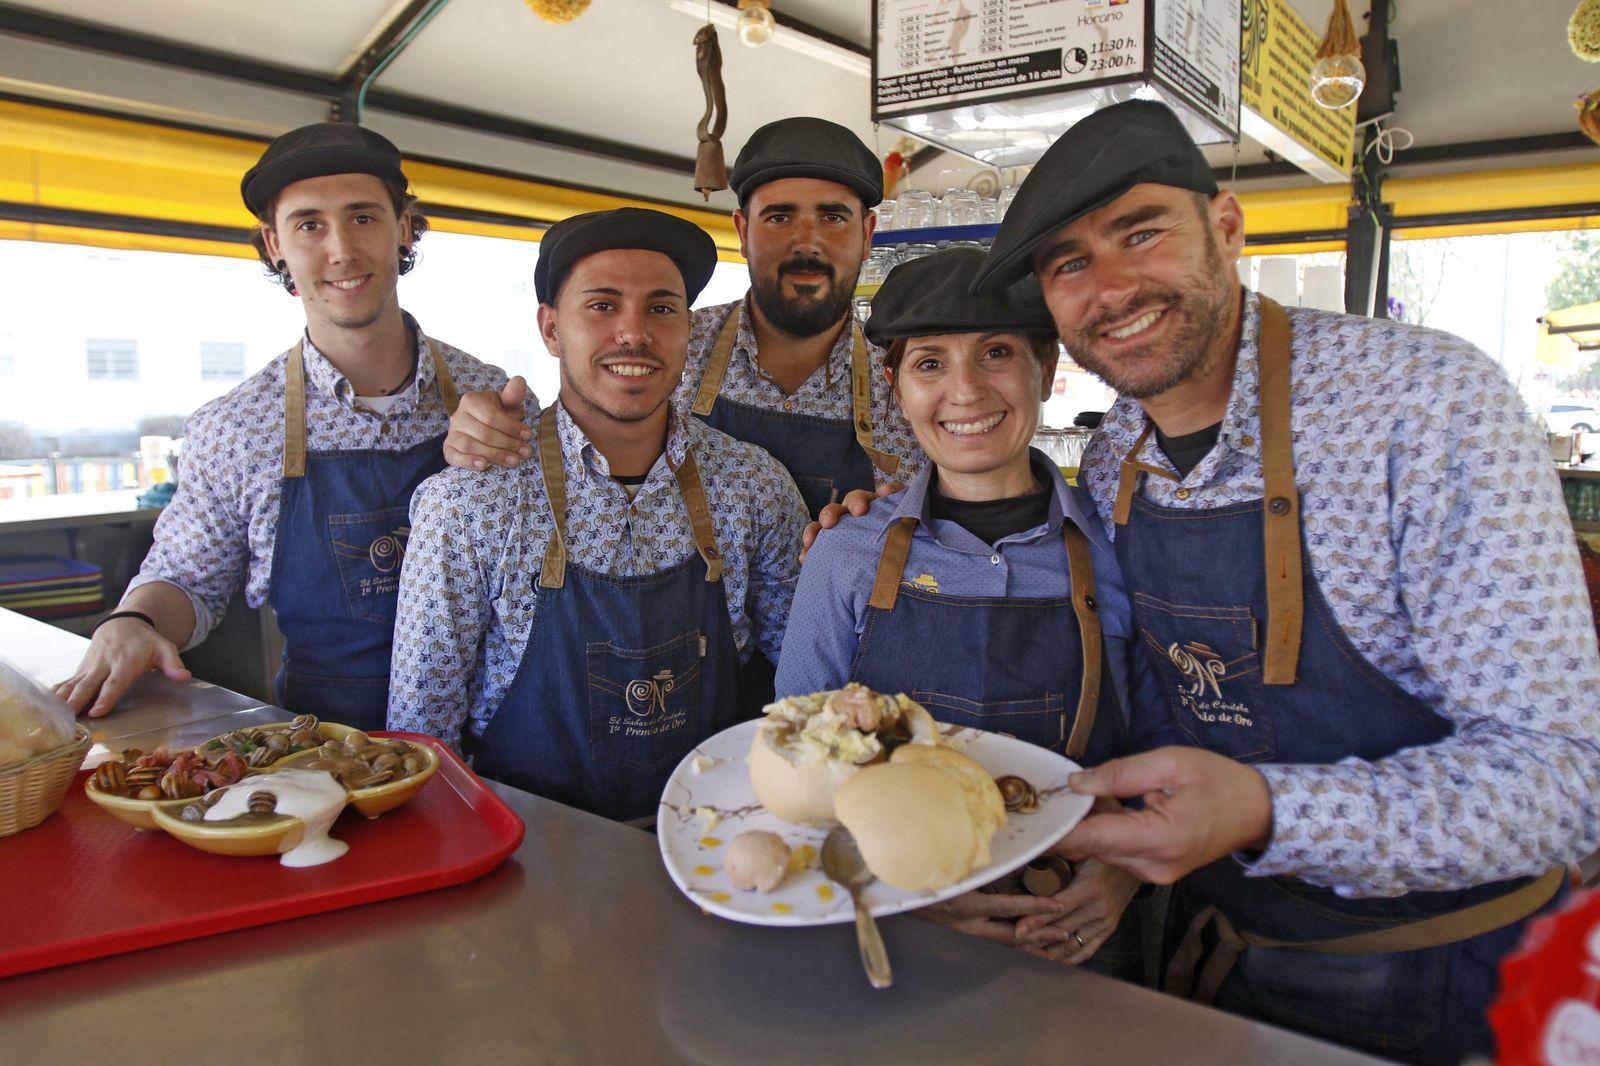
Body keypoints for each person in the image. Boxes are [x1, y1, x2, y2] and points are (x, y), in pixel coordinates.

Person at [963, 100, 1600, 1063]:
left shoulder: (1425, 407)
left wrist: (1267, 811)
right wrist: (1129, 863)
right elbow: (1165, 703)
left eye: (1143, 233)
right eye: (1069, 264)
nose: (1113, 286)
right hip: (1208, 958)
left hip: (1443, 976)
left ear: (1225, 227)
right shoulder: (1116, 456)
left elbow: (1565, 779)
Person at [54, 122, 528, 731]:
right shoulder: (238, 429)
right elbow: (185, 576)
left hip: (495, 738)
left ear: (403, 227)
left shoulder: (489, 395)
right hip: (329, 744)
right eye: (309, 225)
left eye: (363, 217)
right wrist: (134, 624)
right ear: (273, 243)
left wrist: (514, 468)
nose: (341, 251)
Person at [777, 247, 1154, 978]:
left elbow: (1162, 742)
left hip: (1076, 925)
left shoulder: (1119, 551)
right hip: (899, 923)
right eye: (929, 364)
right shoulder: (846, 554)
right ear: (894, 387)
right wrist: (901, 890)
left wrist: (1126, 869)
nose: (966, 390)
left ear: (1045, 368)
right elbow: (799, 766)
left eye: (997, 353)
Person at [387, 208, 808, 822]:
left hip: (717, 838)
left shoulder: (753, 484)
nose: (633, 334)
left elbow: (807, 677)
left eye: (661, 309)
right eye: (602, 306)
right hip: (530, 851)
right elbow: (422, 733)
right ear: (552, 329)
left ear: (687, 330)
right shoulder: (468, 504)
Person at [442, 117, 925, 519]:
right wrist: (486, 435)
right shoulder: (667, 343)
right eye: (779, 217)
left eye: (833, 217)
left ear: (867, 234)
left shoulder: (909, 385)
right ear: (742, 230)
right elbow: (575, 438)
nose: (806, 242)